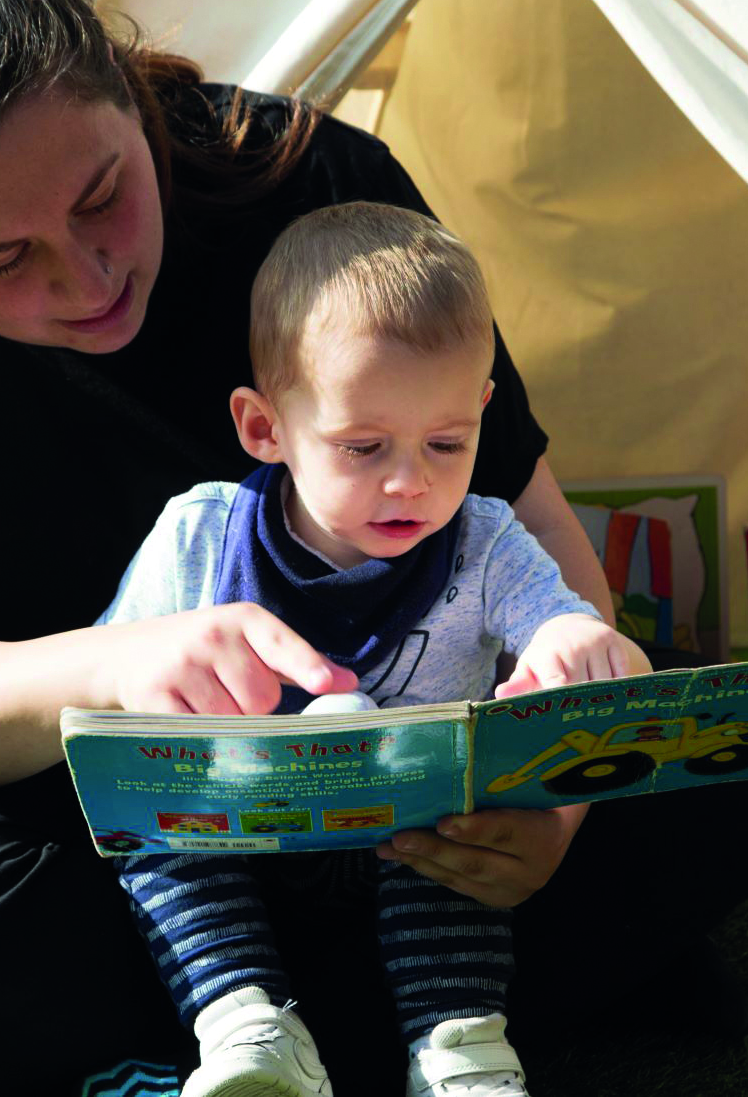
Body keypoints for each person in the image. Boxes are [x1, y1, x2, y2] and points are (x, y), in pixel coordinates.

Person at [0, 0, 748, 1093]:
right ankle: (432, 1009)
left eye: (103, 195)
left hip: (424, 770)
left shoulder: (318, 184)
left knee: (743, 772)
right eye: (1, 257)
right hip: (88, 798)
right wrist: (119, 667)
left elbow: (546, 555)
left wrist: (556, 802)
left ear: (131, 99)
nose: (87, 274)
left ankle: (253, 1037)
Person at [100, 201, 649, 1097]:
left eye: (447, 441)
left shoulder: (486, 540)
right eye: (362, 447)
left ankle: (460, 1046)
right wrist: (156, 693)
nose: (411, 480)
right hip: (242, 846)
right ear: (262, 428)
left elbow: (562, 622)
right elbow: (110, 692)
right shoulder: (198, 538)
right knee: (156, 838)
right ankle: (247, 1030)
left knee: (464, 824)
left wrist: (578, 643)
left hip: (412, 850)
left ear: (482, 410)